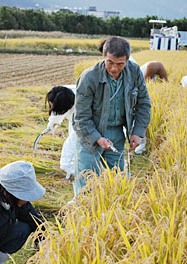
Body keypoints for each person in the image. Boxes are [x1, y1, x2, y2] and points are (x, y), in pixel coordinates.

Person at [73, 36, 151, 196]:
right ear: (104, 56)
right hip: (90, 134)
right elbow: (81, 117)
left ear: (127, 61)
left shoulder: (134, 72)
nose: (114, 68)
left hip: (116, 133)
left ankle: (111, 213)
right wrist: (97, 138)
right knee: (86, 182)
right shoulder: (89, 78)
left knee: (116, 180)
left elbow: (143, 104)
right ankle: (83, 214)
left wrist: (137, 132)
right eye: (110, 62)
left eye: (120, 64)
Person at [134, 61, 168, 154]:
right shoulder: (148, 69)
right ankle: (140, 146)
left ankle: (140, 146)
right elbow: (144, 88)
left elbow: (165, 85)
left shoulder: (153, 67)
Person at [45, 85, 76, 180]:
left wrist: (65, 164)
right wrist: (53, 121)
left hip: (101, 124)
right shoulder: (60, 93)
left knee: (78, 148)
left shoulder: (83, 106)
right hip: (75, 120)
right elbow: (57, 105)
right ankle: (73, 171)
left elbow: (75, 139)